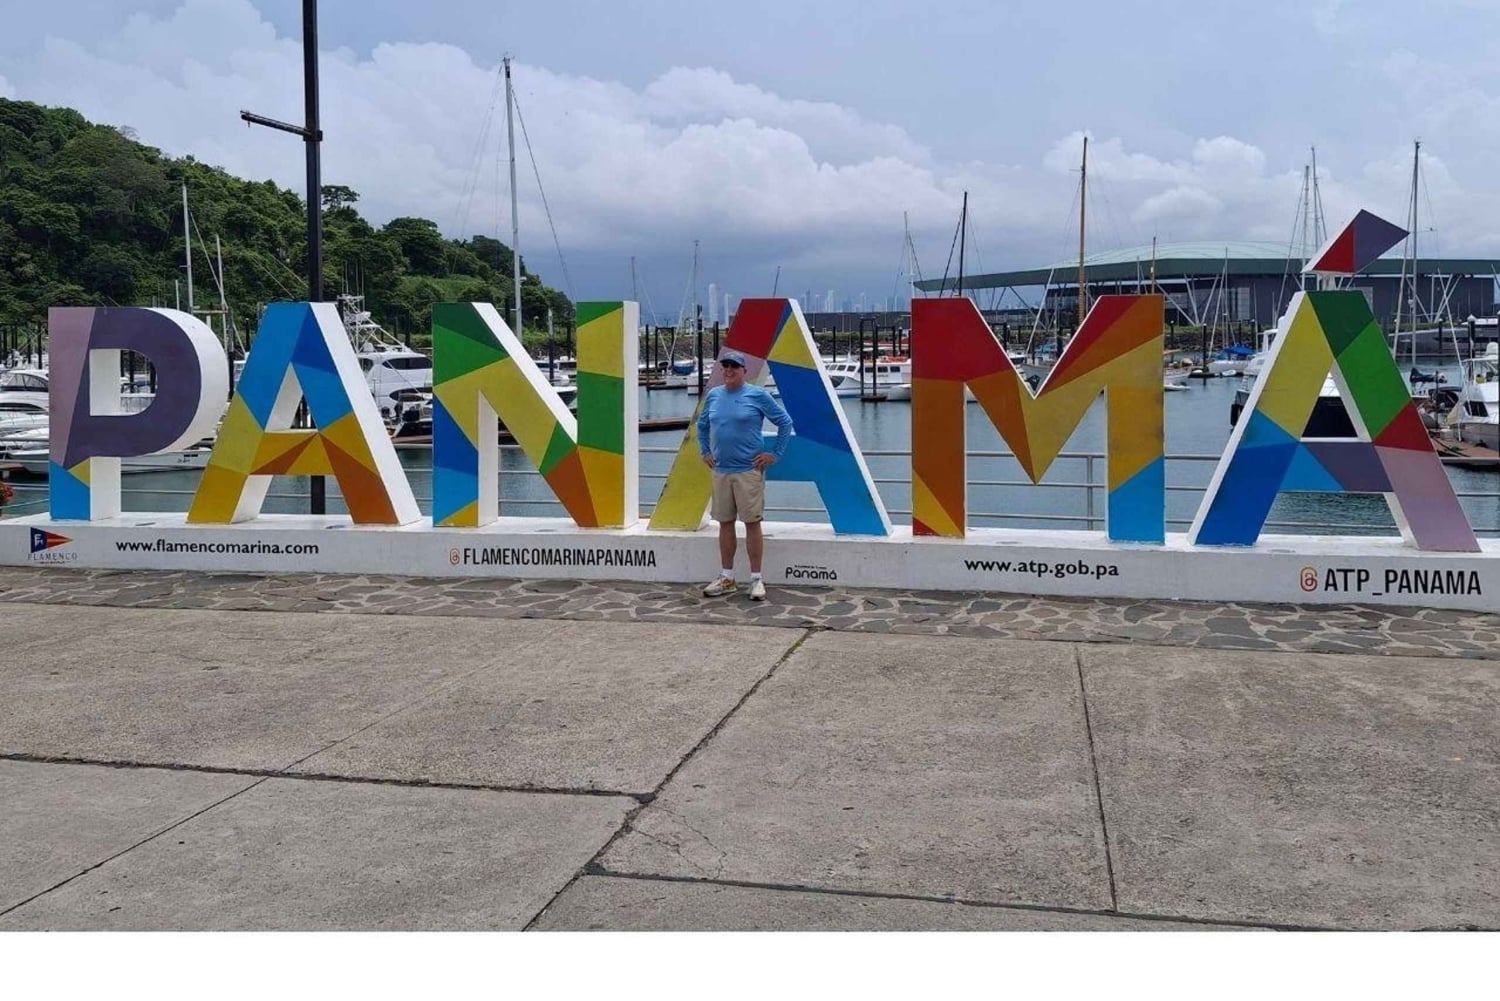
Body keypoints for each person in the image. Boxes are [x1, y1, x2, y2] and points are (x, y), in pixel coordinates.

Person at [696, 350, 794, 600]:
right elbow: (703, 425)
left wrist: (775, 454)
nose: (728, 371)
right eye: (725, 366)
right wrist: (705, 450)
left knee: (752, 523)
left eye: (734, 367)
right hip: (721, 471)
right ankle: (727, 577)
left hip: (748, 471)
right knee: (724, 523)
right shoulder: (714, 395)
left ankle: (756, 579)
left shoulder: (757, 395)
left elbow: (784, 422)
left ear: (744, 371)